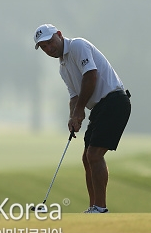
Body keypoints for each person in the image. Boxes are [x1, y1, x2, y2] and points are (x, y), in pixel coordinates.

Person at [33, 24, 131, 214]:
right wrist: (73, 117)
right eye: (43, 47)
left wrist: (79, 111)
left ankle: (100, 208)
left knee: (94, 155)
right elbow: (74, 96)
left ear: (59, 35)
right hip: (100, 107)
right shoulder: (63, 68)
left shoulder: (78, 45)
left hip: (114, 101)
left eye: (50, 42)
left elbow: (90, 76)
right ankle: (93, 207)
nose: (48, 48)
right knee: (87, 158)